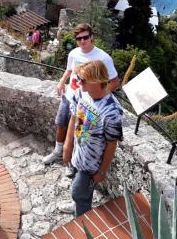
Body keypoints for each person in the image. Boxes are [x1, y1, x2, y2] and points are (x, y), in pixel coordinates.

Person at [43, 23, 120, 177]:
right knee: (61, 124)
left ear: (92, 37)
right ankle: (58, 151)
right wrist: (61, 82)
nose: (82, 41)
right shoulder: (74, 53)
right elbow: (69, 70)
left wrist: (98, 97)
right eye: (79, 38)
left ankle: (70, 162)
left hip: (86, 104)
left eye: (85, 37)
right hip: (70, 96)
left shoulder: (103, 58)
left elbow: (115, 81)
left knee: (81, 134)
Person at [63, 60, 123, 217]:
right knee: (78, 188)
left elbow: (111, 144)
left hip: (91, 165)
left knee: (79, 194)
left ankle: (82, 220)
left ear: (97, 80)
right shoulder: (81, 93)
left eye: (82, 80)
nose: (78, 82)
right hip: (78, 153)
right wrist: (67, 146)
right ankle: (79, 207)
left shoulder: (111, 112)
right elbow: (74, 118)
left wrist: (102, 171)